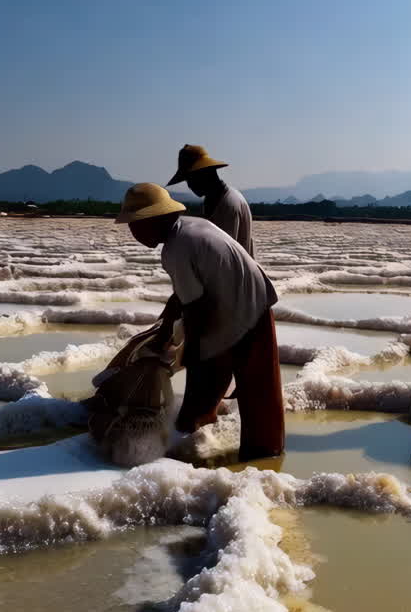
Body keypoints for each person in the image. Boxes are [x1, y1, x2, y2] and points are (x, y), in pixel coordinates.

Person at [114, 182, 284, 461]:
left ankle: (249, 461)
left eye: (135, 224)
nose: (132, 232)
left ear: (153, 220)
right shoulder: (190, 228)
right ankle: (242, 455)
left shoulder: (176, 248)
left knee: (234, 393)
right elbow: (182, 297)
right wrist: (164, 331)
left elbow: (195, 308)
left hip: (245, 310)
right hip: (249, 303)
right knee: (248, 394)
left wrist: (192, 351)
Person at [167, 144, 254, 256]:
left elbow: (224, 255)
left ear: (204, 174)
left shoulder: (227, 205)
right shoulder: (215, 200)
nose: (189, 185)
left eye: (190, 179)